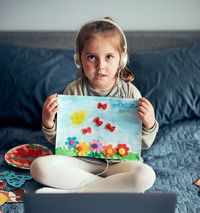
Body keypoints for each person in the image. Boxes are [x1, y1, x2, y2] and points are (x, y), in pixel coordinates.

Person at [30, 17, 159, 194]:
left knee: (145, 176)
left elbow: (143, 144)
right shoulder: (73, 90)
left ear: (121, 59)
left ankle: (74, 192)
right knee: (38, 167)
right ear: (79, 59)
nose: (101, 66)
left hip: (119, 163)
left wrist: (149, 123)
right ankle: (110, 188)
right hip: (81, 161)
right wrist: (49, 122)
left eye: (109, 57)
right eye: (92, 57)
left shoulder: (130, 93)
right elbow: (61, 141)